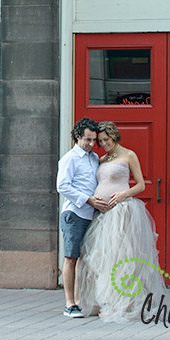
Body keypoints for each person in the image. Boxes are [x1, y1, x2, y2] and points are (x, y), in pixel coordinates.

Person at [76, 120, 165, 322]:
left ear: (114, 136)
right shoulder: (101, 159)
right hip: (103, 215)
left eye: (106, 139)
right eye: (100, 141)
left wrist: (123, 195)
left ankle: (126, 301)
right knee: (103, 257)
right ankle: (106, 299)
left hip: (123, 212)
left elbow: (141, 185)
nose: (103, 144)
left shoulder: (129, 155)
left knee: (123, 256)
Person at [56, 117, 112, 318]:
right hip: (75, 213)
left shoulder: (93, 158)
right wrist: (88, 200)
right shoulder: (69, 158)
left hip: (92, 214)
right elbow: (62, 186)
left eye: (93, 140)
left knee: (85, 259)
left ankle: (81, 301)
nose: (90, 144)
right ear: (77, 137)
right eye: (87, 140)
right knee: (71, 257)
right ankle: (69, 304)